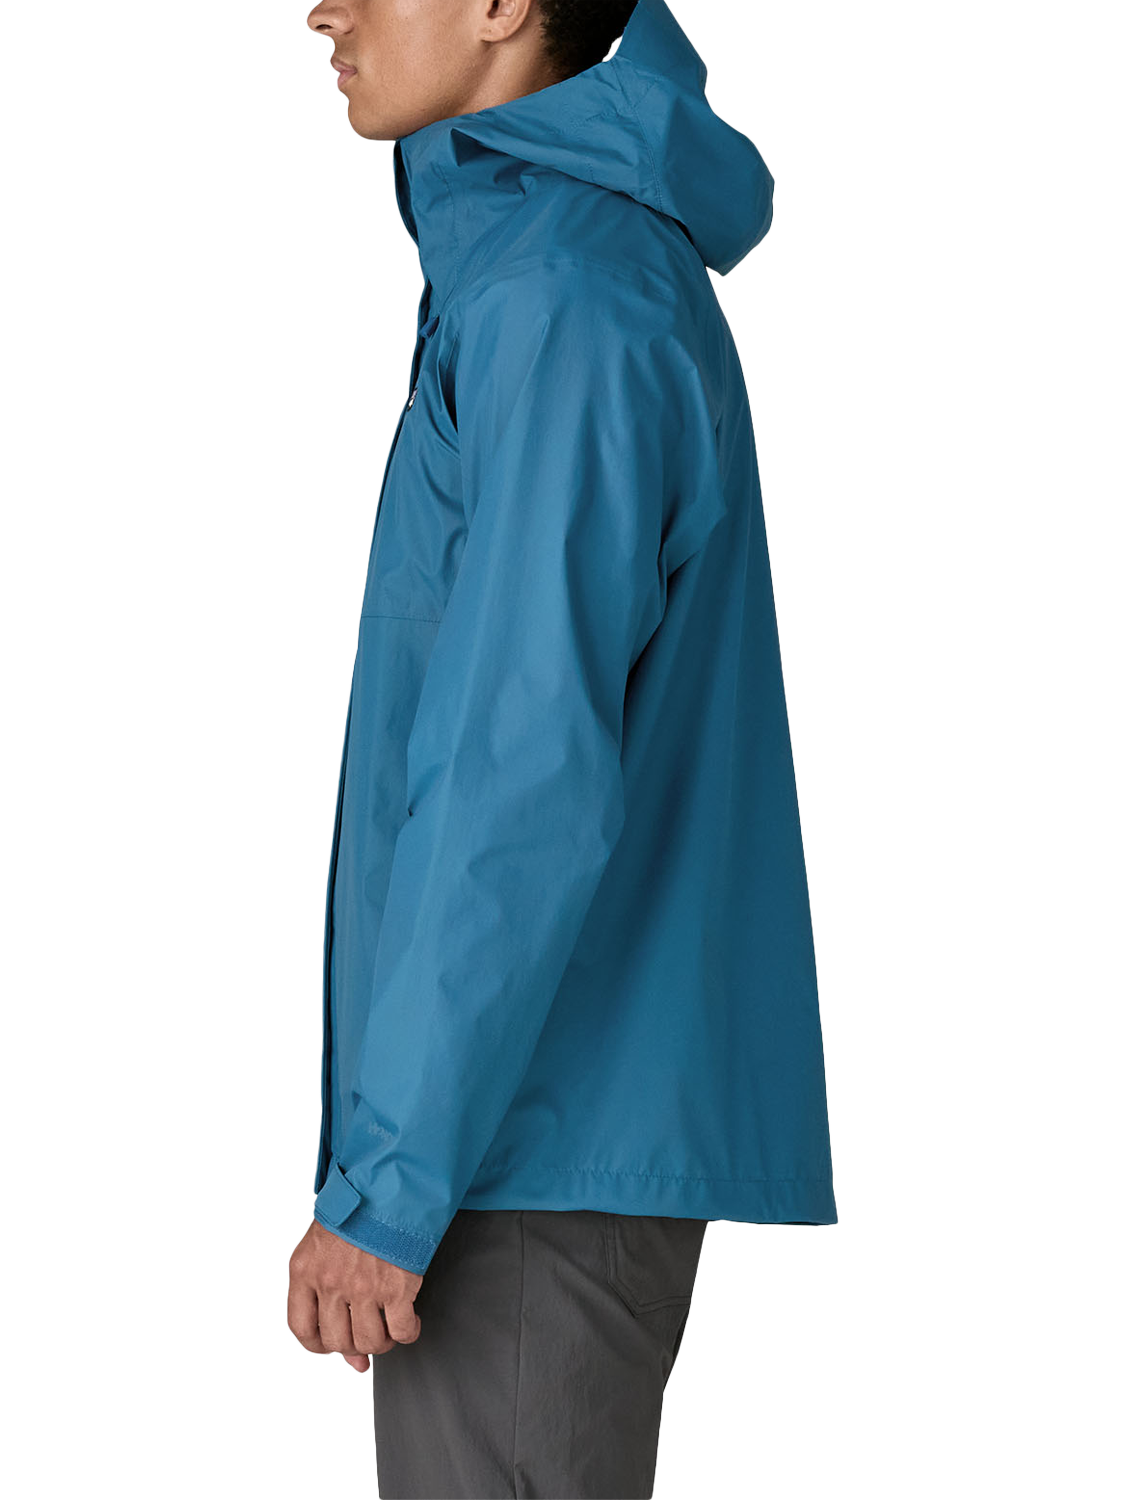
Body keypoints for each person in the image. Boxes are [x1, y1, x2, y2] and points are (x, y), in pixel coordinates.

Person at [289, 1, 837, 1494]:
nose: (323, 9)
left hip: (524, 1130)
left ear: (502, 7)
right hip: (529, 1119)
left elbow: (516, 771)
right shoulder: (540, 274)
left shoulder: (565, 296)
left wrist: (391, 1180)